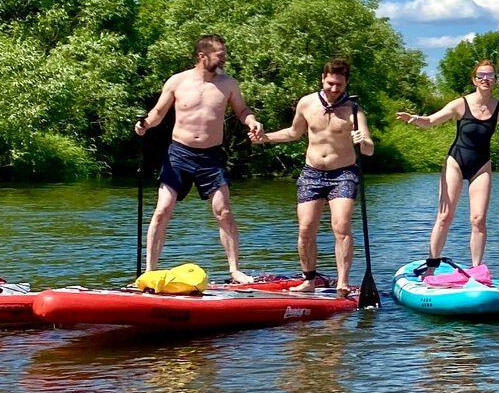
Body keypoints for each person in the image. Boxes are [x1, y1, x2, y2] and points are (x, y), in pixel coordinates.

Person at [136, 34, 264, 284]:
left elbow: (242, 110)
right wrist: (145, 124)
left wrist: (252, 121)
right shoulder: (177, 81)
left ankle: (235, 270)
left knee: (223, 211)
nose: (223, 58)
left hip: (211, 156)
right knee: (162, 210)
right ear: (202, 56)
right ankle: (149, 271)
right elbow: (158, 113)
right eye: (219, 54)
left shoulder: (228, 83)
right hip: (179, 154)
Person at [395, 58, 499, 270]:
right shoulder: (461, 104)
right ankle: (431, 266)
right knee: (444, 216)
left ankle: (476, 269)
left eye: (490, 76)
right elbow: (431, 121)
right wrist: (413, 118)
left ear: (496, 80)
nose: (486, 79)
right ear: (474, 80)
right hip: (456, 162)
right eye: (481, 76)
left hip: (481, 165)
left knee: (478, 219)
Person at [254, 58, 374, 295]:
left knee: (341, 227)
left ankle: (342, 282)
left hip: (343, 174)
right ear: (322, 78)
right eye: (330, 83)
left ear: (346, 83)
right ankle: (309, 279)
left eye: (339, 85)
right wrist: (265, 137)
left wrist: (364, 141)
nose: (333, 89)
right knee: (306, 229)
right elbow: (293, 132)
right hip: (312, 173)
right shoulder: (307, 103)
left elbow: (369, 149)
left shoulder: (354, 110)